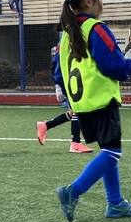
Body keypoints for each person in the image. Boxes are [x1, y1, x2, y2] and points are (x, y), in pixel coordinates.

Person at [54, 0, 131, 222]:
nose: (102, 3)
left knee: (108, 151)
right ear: (89, 1)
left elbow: (58, 73)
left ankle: (115, 203)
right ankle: (73, 192)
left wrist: (72, 98)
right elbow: (114, 66)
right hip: (101, 101)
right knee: (113, 153)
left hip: (82, 105)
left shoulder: (66, 35)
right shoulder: (95, 28)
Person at [36, 26, 94, 154]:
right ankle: (75, 143)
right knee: (77, 109)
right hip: (66, 78)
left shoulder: (67, 40)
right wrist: (62, 83)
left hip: (67, 78)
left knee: (73, 112)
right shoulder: (66, 42)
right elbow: (59, 65)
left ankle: (45, 126)